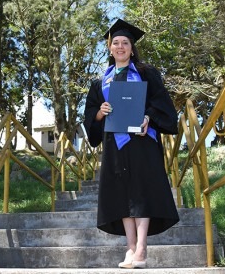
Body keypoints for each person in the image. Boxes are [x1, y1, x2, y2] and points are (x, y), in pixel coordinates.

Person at [83, 18, 179, 269]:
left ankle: (142, 248)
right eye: (115, 42)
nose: (120, 46)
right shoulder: (99, 83)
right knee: (122, 193)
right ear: (109, 48)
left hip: (142, 141)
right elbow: (90, 115)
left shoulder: (147, 74)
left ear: (132, 48)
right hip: (115, 143)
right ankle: (130, 247)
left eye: (125, 42)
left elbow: (163, 106)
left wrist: (148, 117)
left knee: (142, 191)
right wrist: (100, 113)